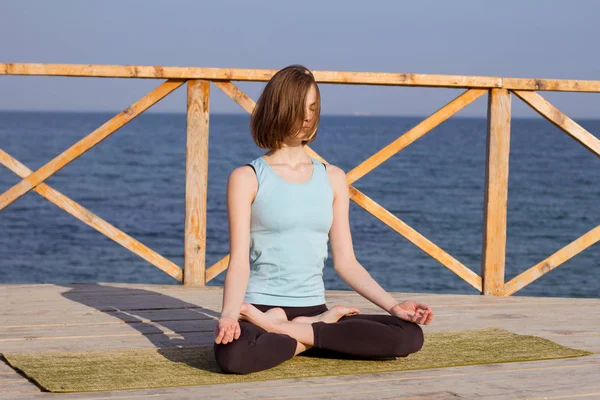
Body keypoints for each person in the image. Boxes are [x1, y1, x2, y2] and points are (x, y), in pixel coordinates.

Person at [213, 64, 433, 375]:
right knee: (233, 357)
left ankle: (291, 330)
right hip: (259, 307)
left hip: (315, 310)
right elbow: (238, 262)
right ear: (278, 109)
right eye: (298, 108)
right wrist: (228, 315)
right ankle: (310, 332)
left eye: (313, 108)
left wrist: (394, 307)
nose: (307, 117)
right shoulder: (247, 178)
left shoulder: (332, 178)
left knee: (409, 336)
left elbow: (346, 263)